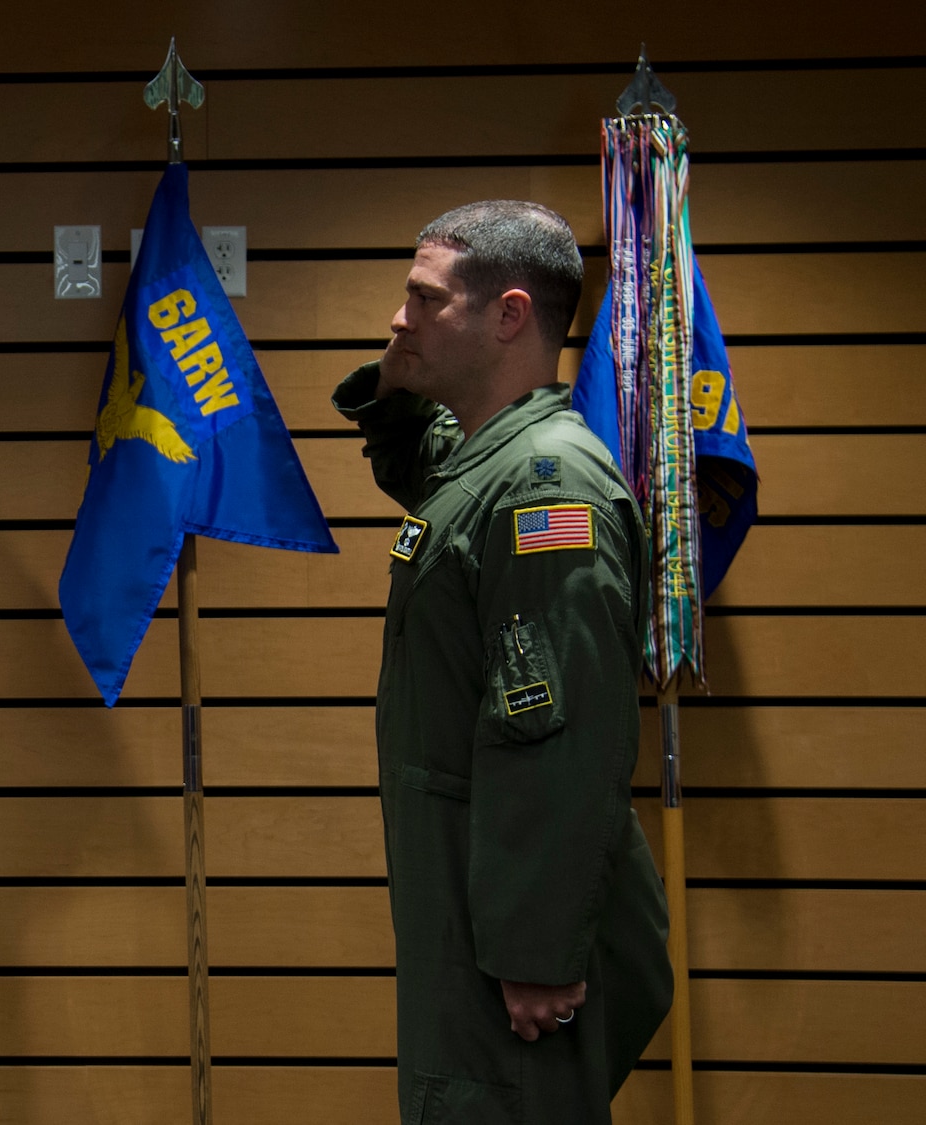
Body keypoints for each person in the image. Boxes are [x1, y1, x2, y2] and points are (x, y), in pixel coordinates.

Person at [333, 201, 673, 1122]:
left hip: (508, 936)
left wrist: (535, 949)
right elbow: (414, 453)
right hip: (470, 900)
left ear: (510, 315)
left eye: (423, 299)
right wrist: (403, 371)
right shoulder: (487, 459)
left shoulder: (545, 488)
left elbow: (555, 738)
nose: (397, 318)